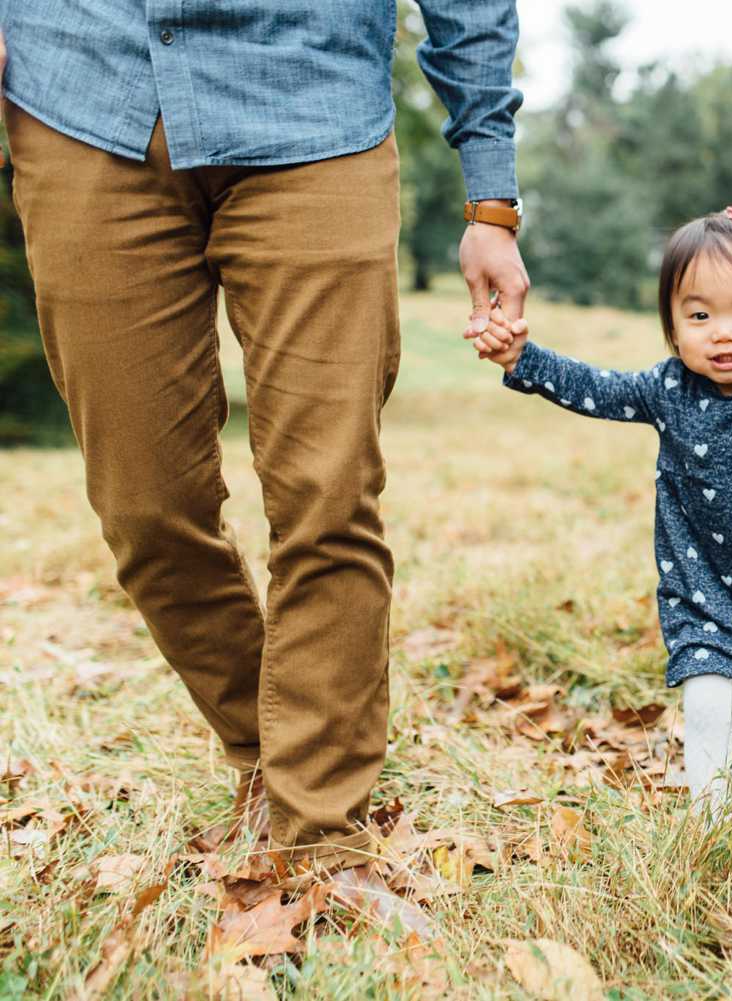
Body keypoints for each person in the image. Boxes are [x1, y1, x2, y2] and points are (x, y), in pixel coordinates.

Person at [0, 2, 528, 912]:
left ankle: (322, 839)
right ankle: (269, 750)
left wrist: (491, 194)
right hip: (83, 91)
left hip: (312, 103)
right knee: (144, 507)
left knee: (328, 496)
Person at [471, 185, 732, 821]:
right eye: (699, 316)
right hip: (709, 590)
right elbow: (594, 387)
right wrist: (522, 357)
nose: (723, 334)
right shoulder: (666, 390)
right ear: (672, 326)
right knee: (707, 698)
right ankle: (713, 818)